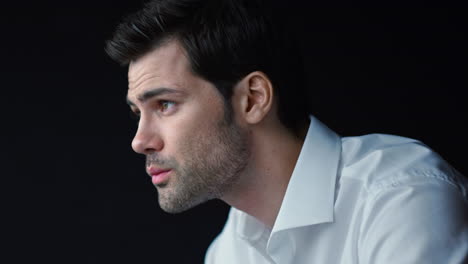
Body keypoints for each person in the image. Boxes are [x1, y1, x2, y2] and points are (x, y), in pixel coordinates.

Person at [105, 0, 468, 263]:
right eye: (137, 112)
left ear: (252, 99)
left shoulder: (400, 197)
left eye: (165, 105)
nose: (140, 141)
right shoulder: (228, 253)